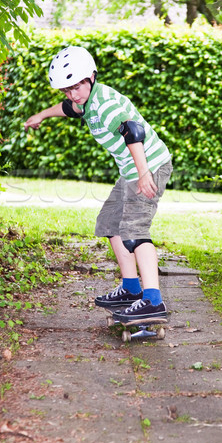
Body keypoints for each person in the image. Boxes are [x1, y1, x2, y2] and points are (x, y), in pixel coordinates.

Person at [24, 46, 173, 324]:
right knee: (109, 223)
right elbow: (70, 108)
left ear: (91, 77)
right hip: (131, 169)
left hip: (148, 166)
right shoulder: (84, 99)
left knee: (134, 230)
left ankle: (153, 301)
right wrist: (42, 115)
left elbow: (133, 131)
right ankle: (131, 289)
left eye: (76, 87)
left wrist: (143, 174)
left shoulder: (105, 103)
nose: (72, 95)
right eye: (66, 90)